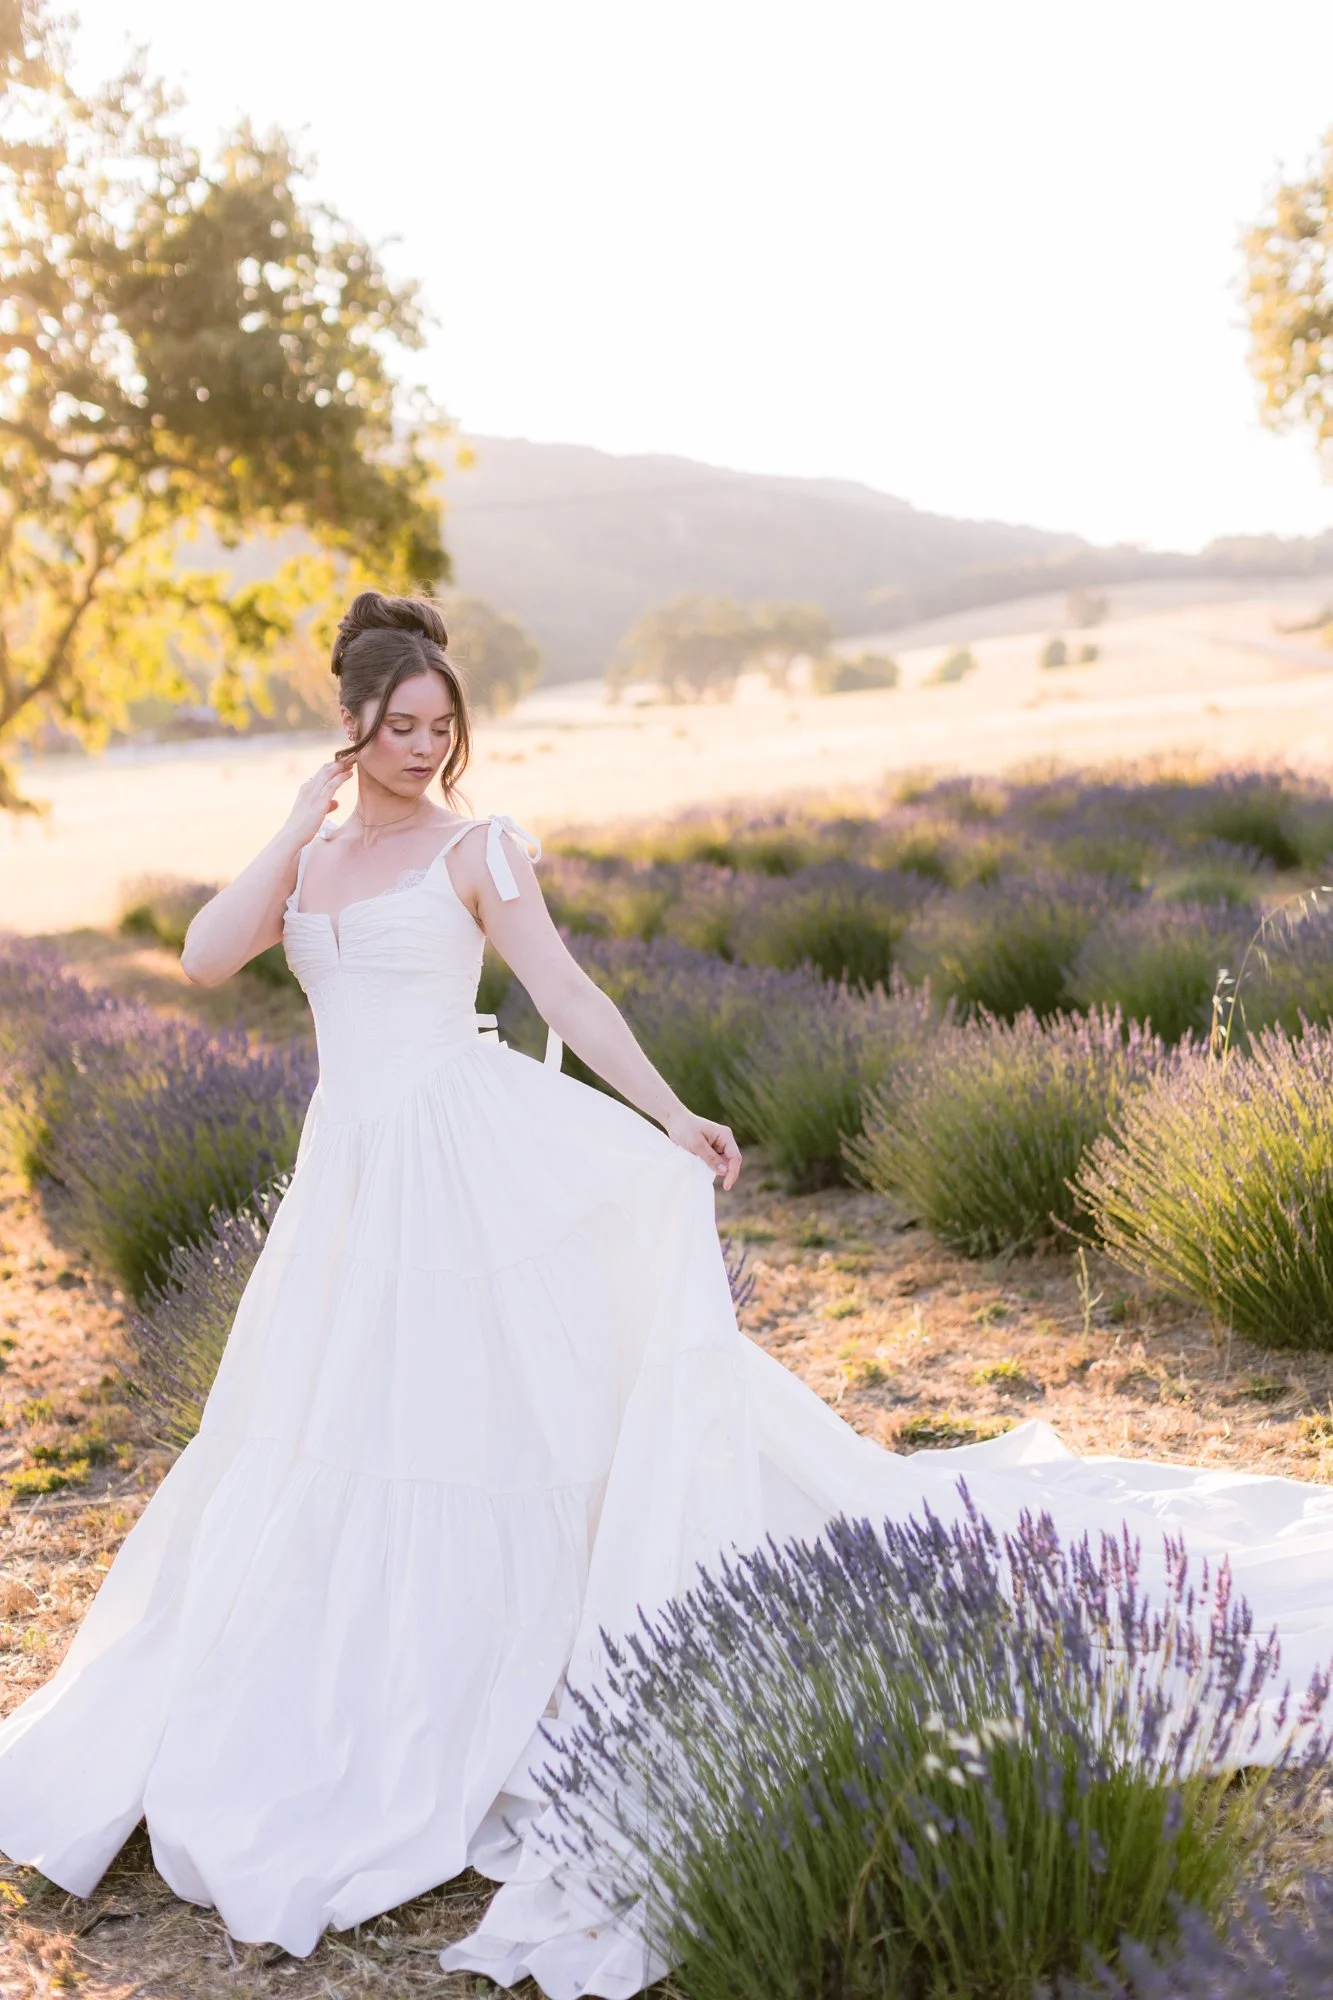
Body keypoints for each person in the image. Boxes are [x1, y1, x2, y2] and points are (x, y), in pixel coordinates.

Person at [3, 590, 1333, 2000]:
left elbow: (567, 995)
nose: (424, 748)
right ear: (352, 724)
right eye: (399, 727)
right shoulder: (315, 863)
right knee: (326, 1426)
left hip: (465, 1155)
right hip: (352, 1182)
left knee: (501, 1418)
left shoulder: (478, 847)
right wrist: (290, 821)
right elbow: (209, 958)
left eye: (443, 728)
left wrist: (669, 1114)